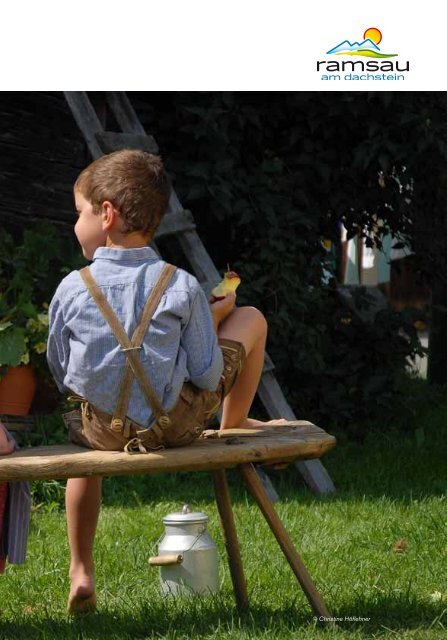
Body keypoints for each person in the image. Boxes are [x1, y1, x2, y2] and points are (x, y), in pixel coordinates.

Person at [47, 149, 288, 614]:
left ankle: (81, 570)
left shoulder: (71, 286)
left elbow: (62, 372)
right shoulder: (180, 286)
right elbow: (206, 373)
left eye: (79, 213)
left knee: (83, 453)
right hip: (172, 428)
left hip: (98, 432)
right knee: (252, 317)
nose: (75, 223)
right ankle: (233, 422)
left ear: (108, 214)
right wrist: (212, 316)